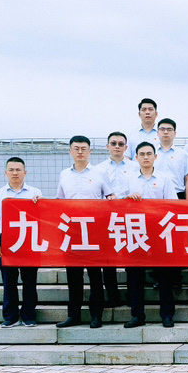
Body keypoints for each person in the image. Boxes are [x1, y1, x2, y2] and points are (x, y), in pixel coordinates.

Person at [56, 136, 118, 328]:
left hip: (94, 230)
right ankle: (73, 315)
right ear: (70, 152)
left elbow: (111, 196)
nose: (80, 152)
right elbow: (59, 201)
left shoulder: (100, 173)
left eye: (84, 148)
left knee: (95, 276)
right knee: (73, 276)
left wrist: (114, 200)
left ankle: (96, 315)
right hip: (72, 231)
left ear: (90, 151)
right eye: (76, 148)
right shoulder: (64, 175)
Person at [122, 142, 180, 329]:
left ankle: (167, 315)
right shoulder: (129, 179)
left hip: (159, 232)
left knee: (164, 276)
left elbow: (173, 204)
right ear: (136, 158)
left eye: (149, 154)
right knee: (134, 277)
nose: (146, 157)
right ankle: (137, 315)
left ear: (156, 157)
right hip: (136, 231)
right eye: (142, 154)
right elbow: (118, 204)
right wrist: (128, 199)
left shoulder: (164, 178)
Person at [0, 157, 43, 328]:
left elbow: (42, 217)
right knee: (8, 280)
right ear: (6, 173)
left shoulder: (35, 193)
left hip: (29, 240)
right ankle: (10, 316)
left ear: (25, 172)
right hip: (7, 240)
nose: (15, 173)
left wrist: (39, 203)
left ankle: (29, 315)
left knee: (29, 280)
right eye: (11, 170)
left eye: (18, 170)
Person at [93, 131, 137, 309]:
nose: (117, 147)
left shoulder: (135, 167)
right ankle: (113, 295)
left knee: (131, 255)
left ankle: (132, 294)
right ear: (107, 147)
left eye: (121, 144)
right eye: (113, 143)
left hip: (130, 215)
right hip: (107, 217)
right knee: (108, 258)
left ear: (126, 147)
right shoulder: (99, 169)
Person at [154, 118, 188, 198]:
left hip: (177, 195)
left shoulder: (182, 154)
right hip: (155, 195)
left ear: (175, 133)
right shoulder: (151, 153)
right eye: (162, 129)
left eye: (169, 129)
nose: (165, 132)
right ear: (157, 133)